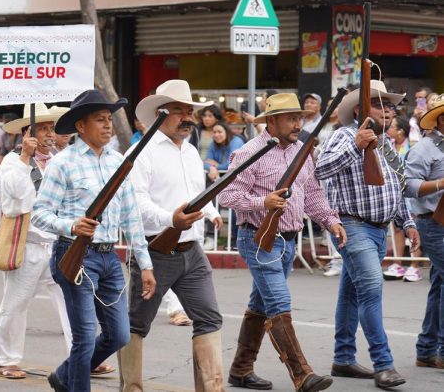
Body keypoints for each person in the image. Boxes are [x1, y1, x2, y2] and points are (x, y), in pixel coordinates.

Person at [219, 93, 346, 392]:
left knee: (261, 305)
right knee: (279, 303)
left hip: (288, 240)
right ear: (271, 121)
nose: (297, 123)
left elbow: (312, 194)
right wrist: (263, 201)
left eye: (299, 118)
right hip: (259, 238)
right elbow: (227, 196)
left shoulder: (302, 149)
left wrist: (331, 220)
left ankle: (240, 369)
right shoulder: (250, 152)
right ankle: (301, 374)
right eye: (291, 118)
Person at [32, 89, 156, 392]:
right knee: (85, 338)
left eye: (109, 119)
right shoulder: (63, 163)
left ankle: (64, 376)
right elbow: (39, 214)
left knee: (119, 336)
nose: (107, 125)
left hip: (108, 258)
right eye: (99, 120)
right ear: (80, 126)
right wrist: (72, 225)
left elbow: (132, 217)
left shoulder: (118, 162)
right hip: (74, 254)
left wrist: (146, 264)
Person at [119, 79, 225, 392]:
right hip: (155, 250)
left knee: (209, 318)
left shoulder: (192, 151)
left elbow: (196, 194)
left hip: (192, 250)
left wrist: (212, 213)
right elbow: (135, 203)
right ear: (160, 113)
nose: (188, 117)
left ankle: (212, 388)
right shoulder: (142, 152)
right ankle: (132, 387)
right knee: (137, 325)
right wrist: (171, 220)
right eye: (179, 110)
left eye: (190, 110)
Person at [315, 80, 420, 389]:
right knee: (371, 290)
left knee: (351, 293)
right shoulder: (344, 135)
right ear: (361, 109)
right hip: (353, 226)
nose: (388, 110)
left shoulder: (386, 144)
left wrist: (407, 222)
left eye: (390, 106)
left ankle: (343, 358)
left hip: (377, 229)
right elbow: (319, 170)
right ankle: (383, 364)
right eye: (379, 104)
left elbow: (396, 189)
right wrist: (356, 146)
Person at [0, 103, 75, 380]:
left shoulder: (60, 160)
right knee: (16, 303)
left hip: (59, 244)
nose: (49, 134)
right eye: (42, 128)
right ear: (27, 132)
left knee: (72, 301)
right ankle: (7, 360)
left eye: (51, 128)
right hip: (27, 244)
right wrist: (26, 159)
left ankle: (83, 355)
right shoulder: (12, 161)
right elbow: (18, 197)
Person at [404, 94, 444, 369]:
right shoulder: (424, 148)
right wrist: (442, 183)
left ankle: (427, 349)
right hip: (433, 222)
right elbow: (409, 186)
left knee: (440, 285)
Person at [383, 116, 421, 282]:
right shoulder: (388, 146)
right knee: (397, 228)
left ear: (400, 131)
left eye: (391, 126)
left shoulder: (413, 147)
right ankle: (398, 263)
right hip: (395, 193)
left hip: (409, 194)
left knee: (412, 227)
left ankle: (414, 265)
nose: (388, 129)